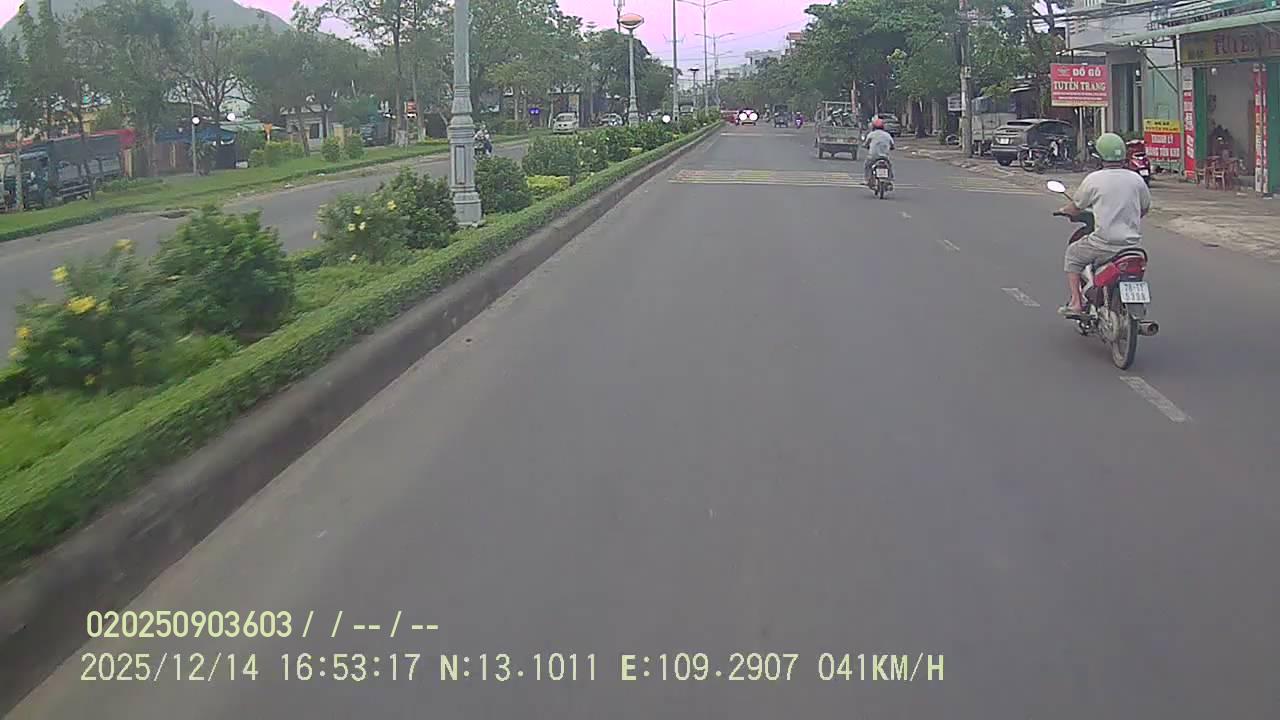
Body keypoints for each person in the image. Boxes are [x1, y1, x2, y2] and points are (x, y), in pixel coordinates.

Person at [1056, 132, 1152, 317]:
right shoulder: (1136, 179)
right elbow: (1145, 208)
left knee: (1073, 255)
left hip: (1103, 244)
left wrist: (1064, 210)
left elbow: (1077, 206)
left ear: (1099, 156)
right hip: (1132, 246)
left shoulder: (1094, 179)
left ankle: (1076, 303)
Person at [863, 116, 895, 185]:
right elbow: (892, 144)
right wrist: (891, 147)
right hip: (884, 157)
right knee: (889, 166)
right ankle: (890, 179)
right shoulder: (887, 135)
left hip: (873, 156)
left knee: (867, 165)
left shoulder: (871, 134)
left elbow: (866, 144)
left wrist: (866, 146)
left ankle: (866, 179)